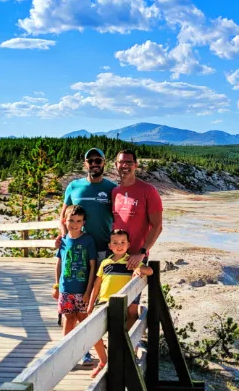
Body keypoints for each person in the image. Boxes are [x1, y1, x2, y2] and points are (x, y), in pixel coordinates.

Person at [57, 147, 116, 364]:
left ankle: (97, 345)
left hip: (102, 251)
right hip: (76, 252)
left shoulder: (112, 188)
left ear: (104, 162)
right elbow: (63, 215)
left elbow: (120, 217)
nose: (94, 163)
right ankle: (81, 350)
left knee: (93, 302)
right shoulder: (74, 186)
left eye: (98, 160)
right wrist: (63, 238)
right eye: (90, 160)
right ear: (85, 164)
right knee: (75, 301)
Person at [86, 229, 153, 377]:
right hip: (103, 302)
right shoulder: (105, 263)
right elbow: (97, 285)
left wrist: (138, 270)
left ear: (128, 244)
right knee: (92, 332)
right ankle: (103, 361)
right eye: (115, 243)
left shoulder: (131, 261)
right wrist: (90, 305)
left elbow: (150, 271)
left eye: (123, 242)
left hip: (121, 304)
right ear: (110, 245)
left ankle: (117, 364)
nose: (119, 245)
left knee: (115, 335)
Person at [111, 149, 163, 328]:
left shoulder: (148, 190)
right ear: (116, 165)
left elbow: (157, 226)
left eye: (129, 162)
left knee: (132, 306)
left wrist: (141, 253)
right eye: (121, 162)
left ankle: (129, 349)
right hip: (116, 255)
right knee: (113, 302)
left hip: (136, 257)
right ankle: (117, 341)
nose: (124, 166)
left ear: (136, 165)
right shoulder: (115, 192)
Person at [53, 205, 97, 347]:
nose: (75, 224)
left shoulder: (88, 240)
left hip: (82, 289)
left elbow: (92, 266)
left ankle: (85, 351)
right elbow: (59, 264)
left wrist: (88, 291)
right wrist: (57, 286)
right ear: (65, 221)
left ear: (84, 222)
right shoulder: (63, 241)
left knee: (83, 319)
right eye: (71, 221)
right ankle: (64, 348)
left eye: (79, 221)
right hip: (65, 289)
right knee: (68, 318)